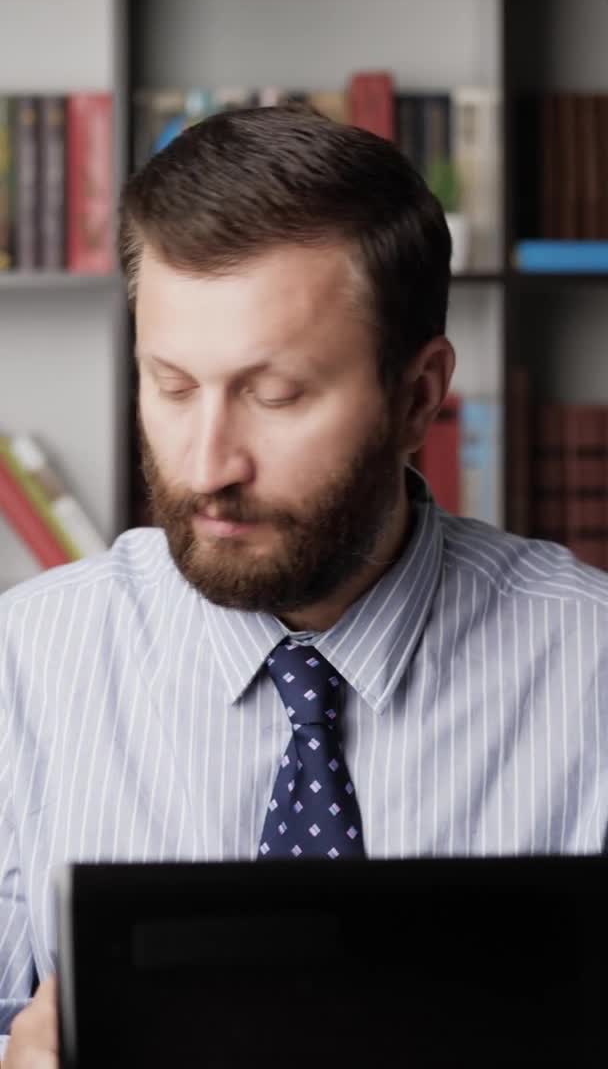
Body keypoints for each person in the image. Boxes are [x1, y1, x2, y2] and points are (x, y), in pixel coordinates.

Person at [1, 102, 608, 1067]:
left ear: (418, 397)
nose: (207, 465)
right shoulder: (21, 667)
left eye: (275, 396)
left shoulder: (594, 674)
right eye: (171, 385)